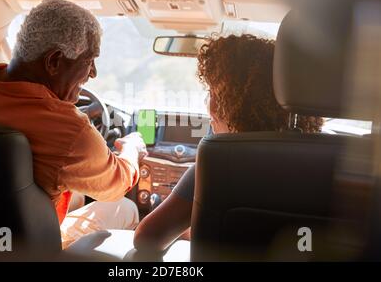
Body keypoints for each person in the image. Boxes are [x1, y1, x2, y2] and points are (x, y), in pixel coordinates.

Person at [0, 0, 147, 249]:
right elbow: (117, 185)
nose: (93, 73)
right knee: (124, 207)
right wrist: (131, 149)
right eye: (89, 60)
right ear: (54, 61)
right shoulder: (70, 130)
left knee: (75, 193)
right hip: (26, 249)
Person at [133, 34, 323, 253]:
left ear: (235, 104)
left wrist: (191, 227)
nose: (209, 106)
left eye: (214, 93)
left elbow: (146, 239)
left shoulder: (218, 161)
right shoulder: (337, 161)